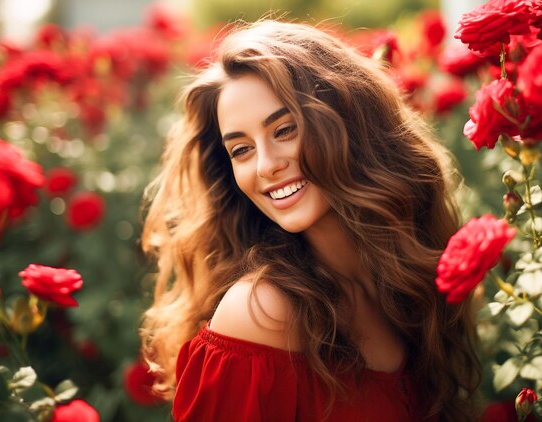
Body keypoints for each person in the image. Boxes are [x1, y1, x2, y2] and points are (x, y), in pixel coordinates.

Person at [140, 20, 480, 421]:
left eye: (284, 130)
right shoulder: (261, 312)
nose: (266, 166)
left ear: (349, 121)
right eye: (242, 150)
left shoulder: (404, 280)